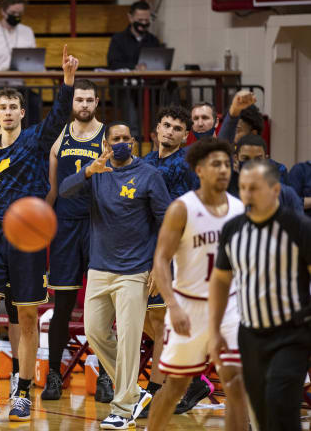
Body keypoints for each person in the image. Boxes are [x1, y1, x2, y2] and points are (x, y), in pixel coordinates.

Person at [0, 9, 78, 423]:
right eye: (0, 107)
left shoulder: (38, 142)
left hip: (27, 239)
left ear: (22, 113)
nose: (5, 112)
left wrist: (68, 82)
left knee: (25, 317)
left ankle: (22, 392)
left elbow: (61, 115)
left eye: (11, 107)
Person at [59, 121, 171, 429]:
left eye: (125, 138)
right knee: (94, 332)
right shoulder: (97, 172)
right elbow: (65, 192)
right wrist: (87, 172)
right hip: (99, 267)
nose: (120, 143)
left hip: (135, 272)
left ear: (133, 143)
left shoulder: (150, 176)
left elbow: (168, 224)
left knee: (129, 339)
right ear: (106, 145)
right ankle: (134, 391)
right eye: (115, 139)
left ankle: (122, 410)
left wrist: (160, 267)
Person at [146, 139, 249, 431]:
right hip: (188, 307)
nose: (223, 170)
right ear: (200, 170)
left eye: (227, 164)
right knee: (176, 387)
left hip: (228, 307)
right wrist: (173, 305)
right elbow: (161, 260)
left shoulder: (239, 210)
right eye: (216, 164)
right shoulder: (182, 209)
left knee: (236, 380)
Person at [208, 159, 311, 431]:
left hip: (292, 334)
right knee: (263, 414)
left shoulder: (299, 227)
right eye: (242, 188)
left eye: (254, 188)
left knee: (281, 405)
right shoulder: (232, 230)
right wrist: (214, 328)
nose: (247, 194)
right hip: (250, 334)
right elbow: (220, 279)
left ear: (275, 190)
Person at [41, 79, 112, 402]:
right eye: (79, 99)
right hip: (66, 227)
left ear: (97, 102)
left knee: (102, 307)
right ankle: (54, 374)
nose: (83, 104)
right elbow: (54, 188)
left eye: (89, 99)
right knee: (63, 306)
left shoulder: (108, 136)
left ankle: (106, 376)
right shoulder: (61, 135)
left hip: (98, 225)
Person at [142, 105, 204, 415]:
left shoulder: (186, 166)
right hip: (142, 249)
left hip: (172, 251)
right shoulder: (146, 162)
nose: (170, 131)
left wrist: (162, 260)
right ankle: (190, 376)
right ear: (157, 129)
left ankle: (157, 393)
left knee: (158, 320)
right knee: (142, 318)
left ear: (185, 135)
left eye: (177, 128)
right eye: (166, 125)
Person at [0, 0, 41, 127]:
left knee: (34, 101)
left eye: (20, 13)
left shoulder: (27, 31)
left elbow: (32, 61)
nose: (16, 16)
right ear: (3, 11)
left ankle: (30, 141)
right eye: (13, 13)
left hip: (18, 86)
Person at [106, 0, 160, 138]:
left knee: (169, 89)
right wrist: (134, 67)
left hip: (147, 86)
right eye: (140, 20)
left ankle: (158, 135)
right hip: (123, 87)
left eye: (146, 20)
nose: (143, 23)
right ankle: (134, 140)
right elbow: (113, 63)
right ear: (130, 18)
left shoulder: (153, 40)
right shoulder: (118, 39)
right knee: (126, 96)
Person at [217, 90, 288, 183]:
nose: (231, 136)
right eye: (245, 158)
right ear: (236, 157)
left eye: (237, 130)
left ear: (253, 133)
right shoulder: (225, 169)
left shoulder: (278, 170)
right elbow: (221, 145)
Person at [228, 134, 302, 213]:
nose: (252, 164)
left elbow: (300, 223)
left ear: (266, 159)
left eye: (258, 159)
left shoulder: (285, 194)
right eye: (246, 158)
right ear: (236, 158)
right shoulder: (227, 187)